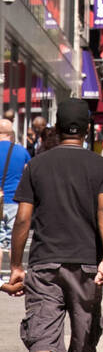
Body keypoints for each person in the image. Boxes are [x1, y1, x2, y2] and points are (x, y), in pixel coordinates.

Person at [8, 99, 103, 352]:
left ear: (56, 128)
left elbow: (24, 218)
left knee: (41, 327)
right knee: (85, 330)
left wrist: (17, 264)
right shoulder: (102, 165)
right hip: (86, 262)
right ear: (87, 130)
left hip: (44, 261)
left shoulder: (37, 164)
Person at [0, 119, 30, 279]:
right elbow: (28, 173)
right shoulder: (21, 151)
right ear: (10, 134)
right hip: (14, 199)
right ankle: (15, 272)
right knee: (14, 239)